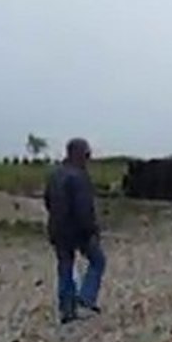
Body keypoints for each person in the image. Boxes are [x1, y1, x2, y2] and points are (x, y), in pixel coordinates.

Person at [43, 137, 106, 324]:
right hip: (78, 230)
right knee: (98, 261)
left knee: (65, 268)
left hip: (57, 228)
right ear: (80, 154)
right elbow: (83, 208)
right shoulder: (79, 177)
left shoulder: (55, 174)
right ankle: (86, 299)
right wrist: (92, 230)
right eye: (87, 153)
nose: (89, 157)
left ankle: (67, 310)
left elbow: (48, 200)